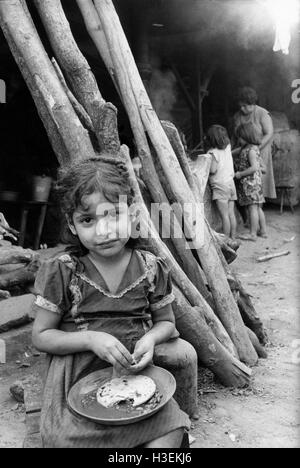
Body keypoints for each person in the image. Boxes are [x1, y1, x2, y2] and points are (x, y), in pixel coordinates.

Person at [32, 156, 190, 448]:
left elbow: (166, 322)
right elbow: (41, 336)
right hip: (76, 385)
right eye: (88, 220)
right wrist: (90, 339)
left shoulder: (151, 267)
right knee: (64, 441)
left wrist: (151, 339)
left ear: (132, 215)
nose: (103, 231)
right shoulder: (63, 270)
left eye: (113, 215)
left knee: (172, 430)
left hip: (135, 378)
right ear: (72, 224)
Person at [233, 86, 276, 200]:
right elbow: (236, 136)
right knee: (246, 183)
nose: (242, 108)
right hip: (243, 150)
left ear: (252, 103)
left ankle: (258, 206)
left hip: (261, 149)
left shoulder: (262, 113)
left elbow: (269, 133)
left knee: (258, 181)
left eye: (245, 106)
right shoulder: (237, 116)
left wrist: (255, 147)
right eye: (240, 106)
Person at [234, 122, 267, 241]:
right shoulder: (251, 148)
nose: (238, 140)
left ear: (247, 136)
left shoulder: (250, 151)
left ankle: (252, 234)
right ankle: (263, 231)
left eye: (240, 137)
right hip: (256, 184)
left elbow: (254, 167)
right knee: (258, 208)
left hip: (250, 184)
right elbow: (263, 167)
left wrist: (240, 174)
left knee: (252, 208)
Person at [206, 125, 237, 239]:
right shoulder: (227, 147)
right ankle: (233, 238)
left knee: (224, 216)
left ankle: (226, 240)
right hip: (230, 183)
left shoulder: (212, 153)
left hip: (220, 185)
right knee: (231, 214)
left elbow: (213, 170)